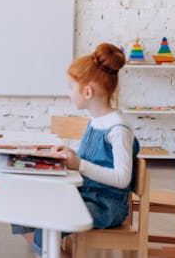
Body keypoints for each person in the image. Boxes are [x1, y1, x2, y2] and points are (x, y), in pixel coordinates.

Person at [14, 43, 140, 257]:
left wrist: (79, 164)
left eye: (71, 87)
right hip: (85, 193)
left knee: (54, 217)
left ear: (87, 92)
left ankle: (50, 252)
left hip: (106, 205)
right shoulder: (96, 120)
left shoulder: (118, 129)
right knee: (24, 209)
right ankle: (50, 252)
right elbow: (95, 160)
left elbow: (122, 178)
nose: (69, 93)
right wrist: (70, 153)